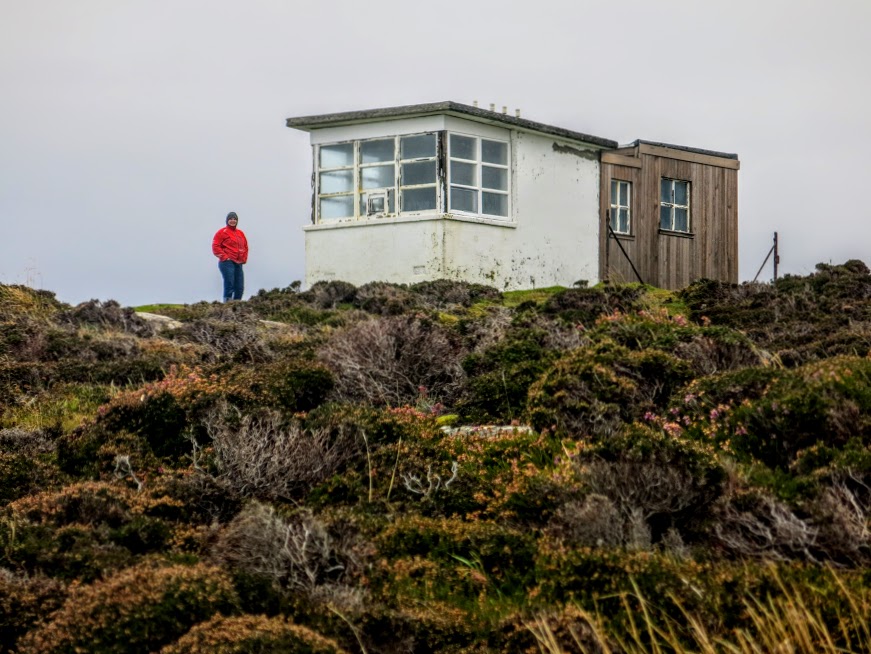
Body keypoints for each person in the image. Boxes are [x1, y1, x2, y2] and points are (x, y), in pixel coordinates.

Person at [212, 211, 248, 301]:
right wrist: (224, 257)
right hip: (227, 262)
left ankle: (236, 305)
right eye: (231, 219)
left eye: (234, 219)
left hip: (238, 262)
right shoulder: (222, 232)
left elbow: (245, 246)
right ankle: (227, 305)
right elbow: (215, 246)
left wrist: (244, 259)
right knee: (229, 283)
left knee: (239, 286)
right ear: (227, 220)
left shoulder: (240, 233)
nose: (233, 220)